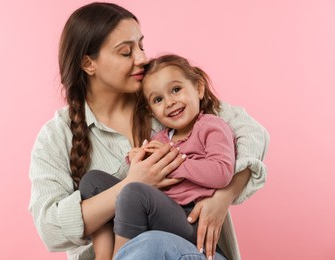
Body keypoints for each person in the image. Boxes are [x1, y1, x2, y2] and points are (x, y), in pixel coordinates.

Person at [28, 2, 269, 260]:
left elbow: (252, 132)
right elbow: (50, 228)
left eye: (140, 46)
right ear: (89, 64)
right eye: (125, 52)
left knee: (152, 243)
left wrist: (223, 196)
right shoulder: (57, 136)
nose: (142, 58)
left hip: (191, 248)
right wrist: (133, 182)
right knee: (93, 183)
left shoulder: (163, 100)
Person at [83, 54, 236, 259]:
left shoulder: (210, 126)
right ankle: (103, 256)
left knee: (134, 192)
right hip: (162, 212)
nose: (170, 102)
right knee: (92, 181)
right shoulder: (161, 137)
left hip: (192, 219)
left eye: (176, 89)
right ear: (152, 111)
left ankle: (120, 256)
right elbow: (147, 178)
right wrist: (138, 159)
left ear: (199, 88)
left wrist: (172, 164)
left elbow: (222, 172)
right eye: (158, 99)